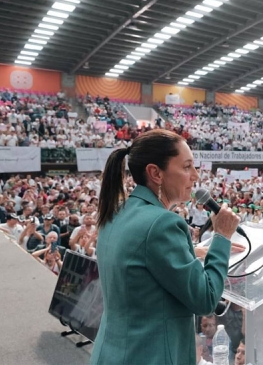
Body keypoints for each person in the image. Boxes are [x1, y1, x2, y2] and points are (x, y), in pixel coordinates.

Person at [90, 129, 242, 365]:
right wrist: (221, 237)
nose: (195, 176)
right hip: (149, 356)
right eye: (186, 167)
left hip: (113, 352)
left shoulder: (117, 212)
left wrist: (194, 251)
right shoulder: (163, 223)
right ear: (155, 173)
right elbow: (205, 299)